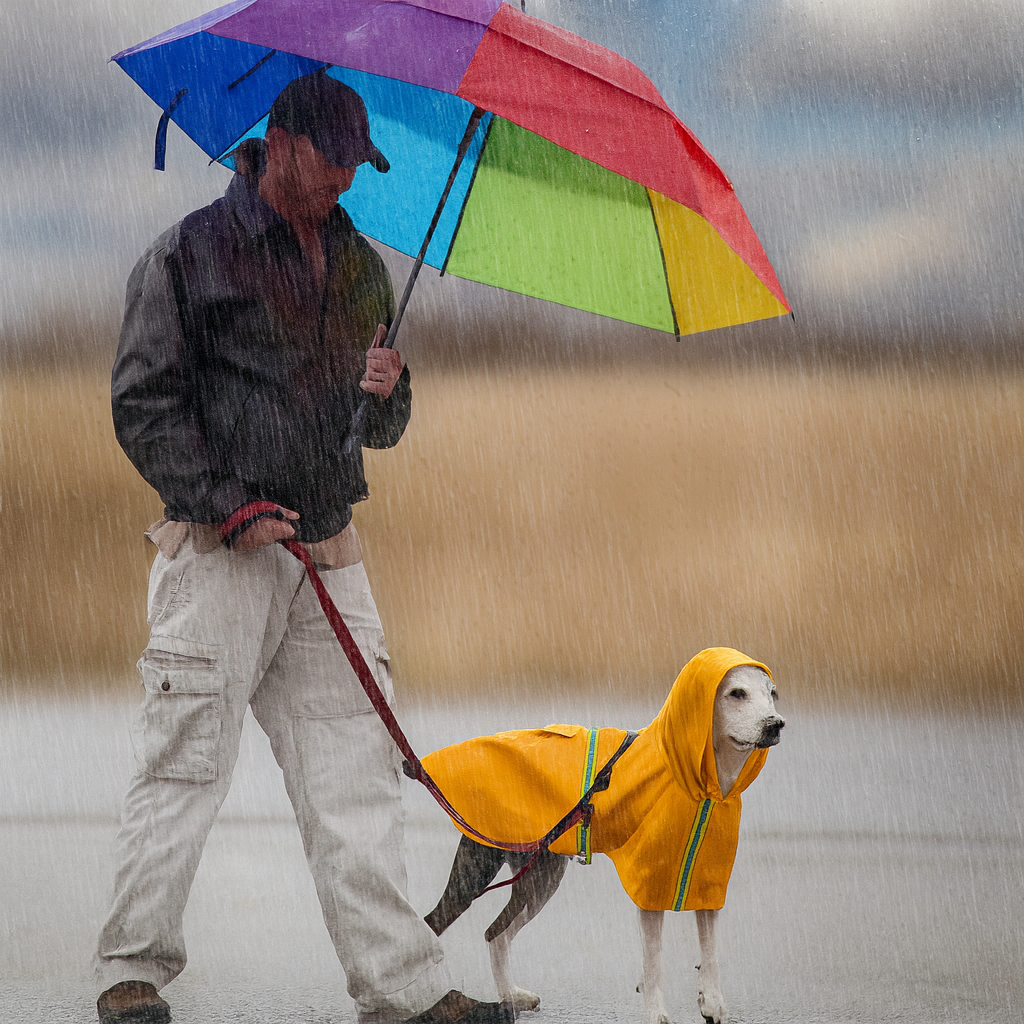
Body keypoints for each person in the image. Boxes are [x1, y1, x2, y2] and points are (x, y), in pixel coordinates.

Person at [95, 70, 509, 1024]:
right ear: (279, 142)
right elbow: (143, 404)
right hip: (217, 555)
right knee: (184, 764)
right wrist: (228, 505)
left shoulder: (362, 262)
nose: (346, 183)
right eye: (334, 161)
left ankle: (403, 991)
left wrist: (387, 388)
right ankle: (130, 974)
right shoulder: (189, 254)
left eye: (359, 165)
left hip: (329, 553)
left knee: (357, 780)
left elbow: (384, 428)